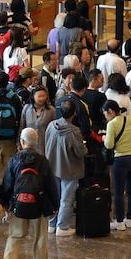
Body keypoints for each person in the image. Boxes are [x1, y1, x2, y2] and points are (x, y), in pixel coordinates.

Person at [0, 128, 59, 259]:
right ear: (36, 142)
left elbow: (7, 184)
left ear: (22, 142)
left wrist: (6, 204)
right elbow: (51, 185)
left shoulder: (14, 160)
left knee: (15, 235)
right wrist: (55, 205)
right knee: (40, 237)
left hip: (19, 204)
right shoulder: (42, 161)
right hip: (39, 204)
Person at [45, 100, 87, 237]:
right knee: (66, 199)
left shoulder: (51, 125)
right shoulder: (74, 131)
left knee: (54, 197)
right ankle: (62, 226)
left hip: (52, 165)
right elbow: (80, 152)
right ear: (74, 113)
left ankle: (52, 224)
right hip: (69, 168)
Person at [103, 99, 131, 231]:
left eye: (106, 114)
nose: (106, 117)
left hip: (121, 159)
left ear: (111, 112)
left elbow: (109, 145)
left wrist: (104, 138)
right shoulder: (129, 119)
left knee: (119, 192)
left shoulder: (111, 124)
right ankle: (130, 219)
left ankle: (119, 222)